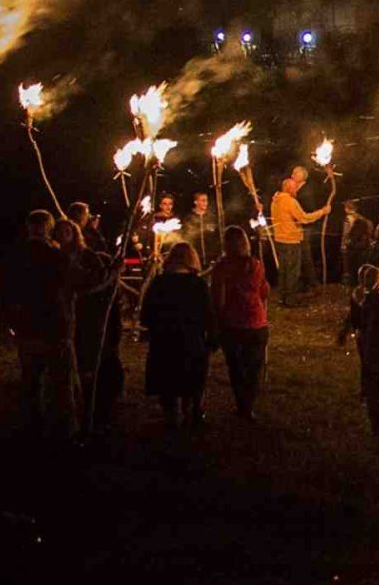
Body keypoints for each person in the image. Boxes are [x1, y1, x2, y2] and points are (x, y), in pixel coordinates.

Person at [0, 210, 108, 440]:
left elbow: (4, 291)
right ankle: (64, 431)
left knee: (30, 380)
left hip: (26, 329)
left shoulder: (14, 256)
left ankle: (31, 426)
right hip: (55, 328)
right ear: (48, 228)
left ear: (29, 227)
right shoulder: (55, 257)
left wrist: (9, 321)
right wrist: (111, 272)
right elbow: (85, 282)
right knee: (61, 383)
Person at [140, 242, 214, 430]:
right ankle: (190, 412)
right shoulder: (198, 284)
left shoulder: (159, 283)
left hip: (164, 343)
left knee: (168, 381)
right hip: (191, 342)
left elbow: (146, 315)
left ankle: (172, 416)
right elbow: (208, 315)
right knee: (190, 379)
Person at [56, 219, 121, 429]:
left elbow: (97, 282)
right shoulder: (53, 257)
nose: (63, 234)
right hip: (61, 316)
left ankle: (94, 404)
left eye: (68, 230)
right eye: (59, 231)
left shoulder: (87, 256)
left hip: (88, 316)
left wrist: (111, 272)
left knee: (90, 358)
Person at [210, 226, 270, 420]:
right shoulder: (256, 265)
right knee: (253, 368)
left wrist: (217, 320)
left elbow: (218, 299)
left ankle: (242, 405)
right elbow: (264, 293)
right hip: (256, 323)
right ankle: (248, 406)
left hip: (233, 324)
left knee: (236, 367)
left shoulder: (222, 268)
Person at [339, 264, 379, 437]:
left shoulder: (360, 295)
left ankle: (366, 393)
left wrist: (345, 331)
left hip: (363, 338)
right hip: (376, 347)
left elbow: (352, 316)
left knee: (368, 368)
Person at [270, 176, 331, 308]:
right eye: (294, 187)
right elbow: (304, 218)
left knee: (284, 270)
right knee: (293, 271)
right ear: (288, 188)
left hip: (279, 240)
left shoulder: (275, 200)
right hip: (291, 241)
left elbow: (286, 218)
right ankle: (290, 300)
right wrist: (322, 211)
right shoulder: (290, 201)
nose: (296, 189)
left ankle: (283, 297)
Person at [340, 200, 375, 288]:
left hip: (351, 246)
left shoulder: (348, 218)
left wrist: (343, 245)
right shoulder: (361, 218)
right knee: (359, 266)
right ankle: (361, 284)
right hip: (361, 247)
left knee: (349, 267)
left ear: (347, 208)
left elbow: (346, 233)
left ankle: (350, 286)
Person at [181, 192, 221, 266]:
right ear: (196, 202)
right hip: (195, 258)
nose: (206, 203)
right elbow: (185, 237)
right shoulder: (189, 218)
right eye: (203, 200)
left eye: (206, 200)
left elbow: (216, 238)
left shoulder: (211, 218)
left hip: (211, 258)